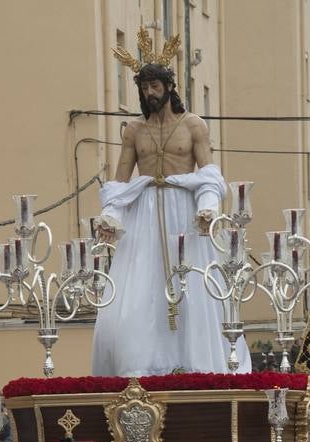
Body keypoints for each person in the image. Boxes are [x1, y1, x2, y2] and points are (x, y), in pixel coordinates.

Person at [90, 45, 242, 376]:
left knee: (193, 289)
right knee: (140, 289)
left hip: (184, 214)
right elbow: (120, 181)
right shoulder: (134, 130)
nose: (149, 94)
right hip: (144, 212)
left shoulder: (194, 126)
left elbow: (210, 176)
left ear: (169, 87)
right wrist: (111, 218)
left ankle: (197, 365)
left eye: (154, 87)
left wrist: (207, 208)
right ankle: (141, 364)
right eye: (144, 88)